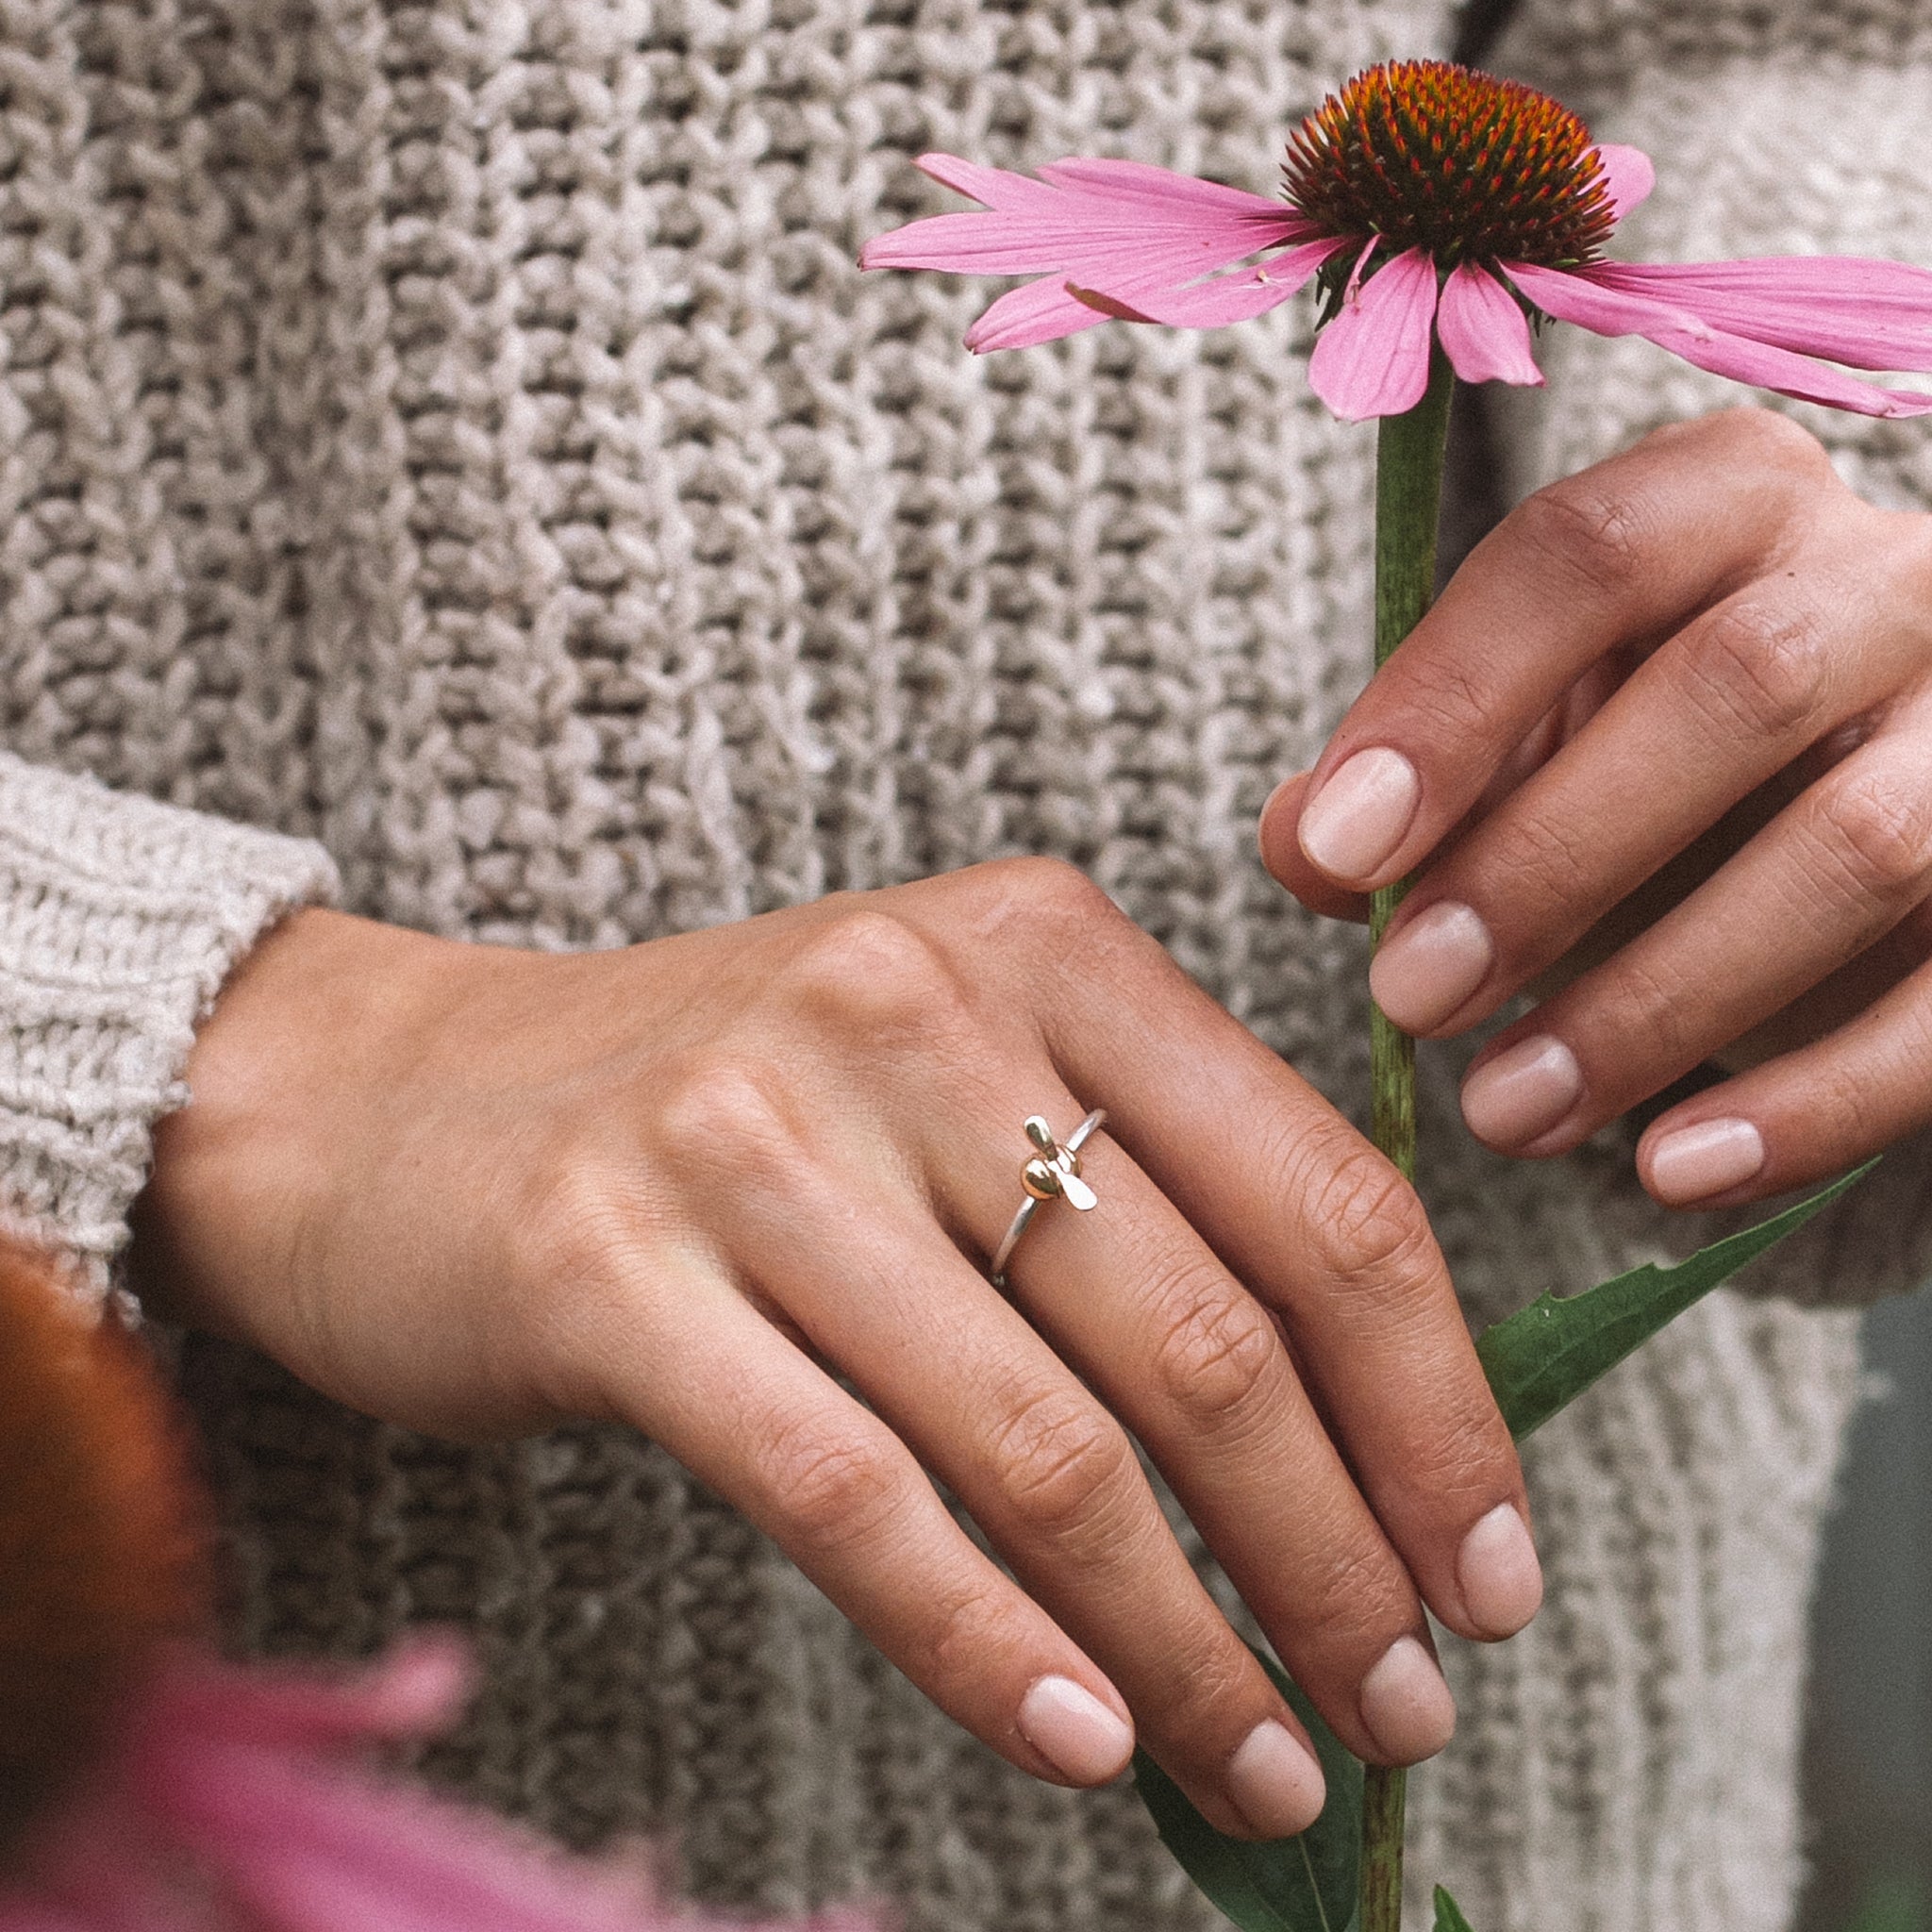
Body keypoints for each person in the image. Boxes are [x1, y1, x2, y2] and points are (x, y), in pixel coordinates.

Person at [2, 0, 1928, 1927]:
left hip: (1560, 1771)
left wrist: (1818, 624)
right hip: (178, 1749)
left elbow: (1803, 41)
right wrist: (198, 1032)